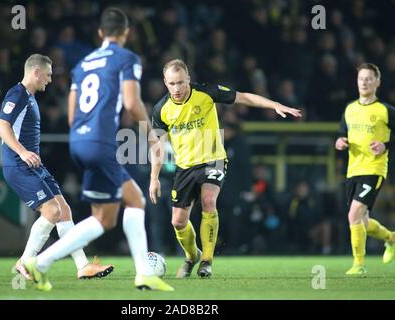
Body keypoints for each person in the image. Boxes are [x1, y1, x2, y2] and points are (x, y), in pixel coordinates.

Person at [24, 8, 173, 292]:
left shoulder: (83, 64)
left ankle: (142, 273)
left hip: (78, 141)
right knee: (110, 216)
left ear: (100, 33)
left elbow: (71, 114)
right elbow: (131, 102)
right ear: (126, 32)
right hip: (102, 143)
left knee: (128, 203)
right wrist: (152, 136)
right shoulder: (127, 58)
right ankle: (41, 262)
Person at [149, 59, 301, 278]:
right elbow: (157, 147)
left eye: (181, 82)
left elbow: (244, 97)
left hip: (213, 159)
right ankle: (192, 255)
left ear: (188, 80)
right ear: (165, 83)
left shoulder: (207, 93)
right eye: (172, 84)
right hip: (184, 167)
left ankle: (207, 261)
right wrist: (154, 178)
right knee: (178, 221)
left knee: (209, 200)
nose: (177, 88)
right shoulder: (161, 110)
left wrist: (274, 104)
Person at [0, 54, 114, 281]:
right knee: (52, 211)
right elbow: (1, 127)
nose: (49, 80)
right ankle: (25, 262)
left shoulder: (28, 97)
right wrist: (21, 151)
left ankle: (83, 266)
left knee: (64, 211)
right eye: (48, 75)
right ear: (36, 72)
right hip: (18, 164)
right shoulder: (17, 94)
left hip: (34, 164)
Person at [335, 62, 395, 275]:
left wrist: (384, 145)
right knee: (363, 220)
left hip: (374, 169)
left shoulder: (386, 111)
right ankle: (391, 238)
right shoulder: (350, 109)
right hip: (353, 170)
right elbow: (342, 134)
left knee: (354, 215)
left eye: (369, 78)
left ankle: (358, 264)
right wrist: (340, 142)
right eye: (361, 78)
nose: (364, 82)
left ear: (378, 82)